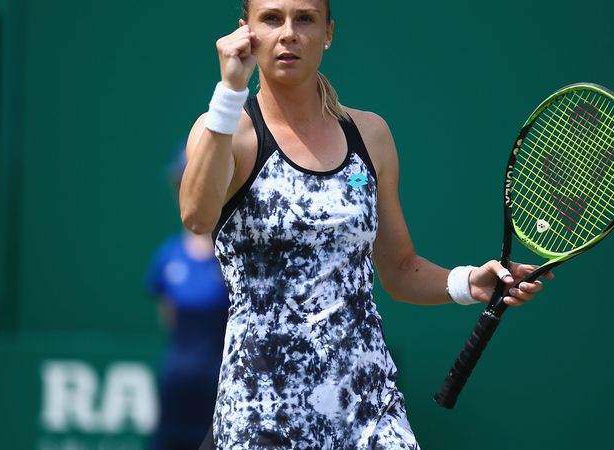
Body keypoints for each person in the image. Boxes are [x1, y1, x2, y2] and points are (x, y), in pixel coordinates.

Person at [180, 0, 553, 448]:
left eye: (305, 19)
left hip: (368, 405)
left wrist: (472, 282)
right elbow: (197, 217)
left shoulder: (370, 134)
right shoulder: (224, 129)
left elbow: (399, 268)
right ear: (247, 32)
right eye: (272, 18)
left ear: (328, 33)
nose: (289, 33)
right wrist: (229, 92)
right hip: (262, 413)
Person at [146, 147, 230, 450]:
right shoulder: (167, 257)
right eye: (181, 180)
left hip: (223, 389)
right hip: (176, 386)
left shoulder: (233, 257)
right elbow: (169, 320)